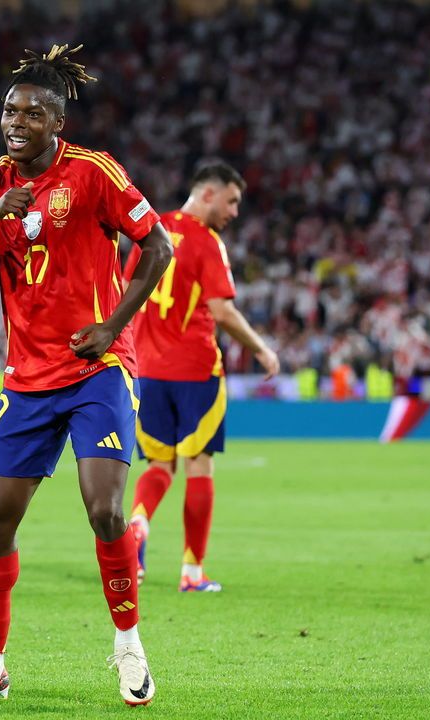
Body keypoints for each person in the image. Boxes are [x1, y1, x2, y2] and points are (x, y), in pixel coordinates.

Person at [0, 45, 173, 707]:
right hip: (27, 378)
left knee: (104, 509)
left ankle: (128, 646)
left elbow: (158, 246)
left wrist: (113, 323)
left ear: (55, 124)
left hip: (98, 369)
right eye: (10, 110)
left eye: (32, 113)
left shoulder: (94, 173)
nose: (16, 121)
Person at [126, 161, 280, 592]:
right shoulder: (207, 243)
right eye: (232, 201)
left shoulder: (149, 230)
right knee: (199, 465)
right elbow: (223, 311)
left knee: (159, 463)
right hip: (195, 370)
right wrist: (261, 349)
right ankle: (192, 573)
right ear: (208, 194)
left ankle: (137, 523)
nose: (235, 211)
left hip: (147, 370)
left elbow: (127, 295)